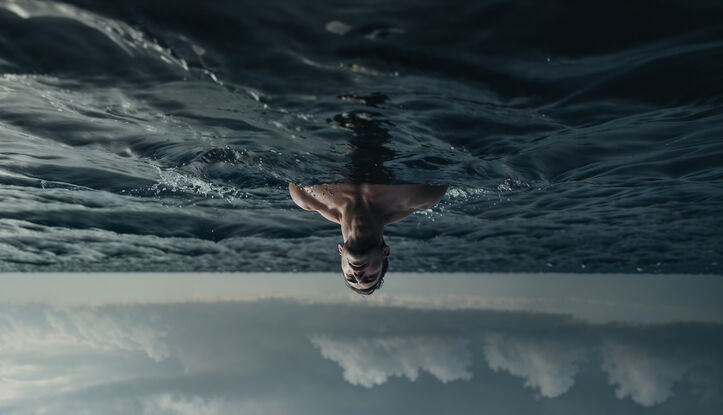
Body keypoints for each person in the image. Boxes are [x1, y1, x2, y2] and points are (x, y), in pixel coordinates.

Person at [289, 183, 448, 295]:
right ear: (385, 251)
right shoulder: (422, 195)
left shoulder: (306, 196)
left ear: (340, 251)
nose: (358, 275)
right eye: (370, 277)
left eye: (350, 276)